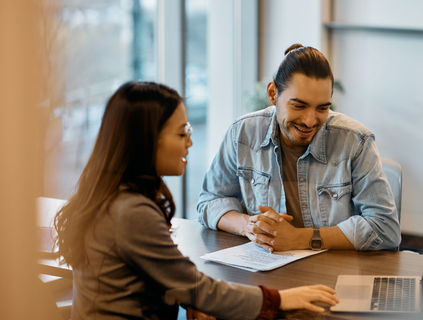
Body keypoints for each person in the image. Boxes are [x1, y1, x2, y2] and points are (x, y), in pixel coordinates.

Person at [53, 81, 338, 320]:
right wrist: (278, 299)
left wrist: (186, 294)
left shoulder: (112, 198)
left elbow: (171, 278)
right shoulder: (131, 211)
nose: (190, 141)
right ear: (146, 140)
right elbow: (198, 287)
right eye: (181, 133)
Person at [198, 44, 401, 253]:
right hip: (267, 272)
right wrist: (249, 226)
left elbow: (385, 228)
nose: (310, 121)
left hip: (332, 272)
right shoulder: (242, 134)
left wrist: (301, 238)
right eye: (299, 105)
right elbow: (210, 201)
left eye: (322, 108)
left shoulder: (356, 141)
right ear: (272, 93)